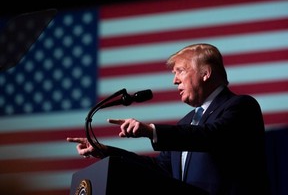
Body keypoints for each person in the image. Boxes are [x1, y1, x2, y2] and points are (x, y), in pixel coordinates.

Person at [67, 43, 271, 195]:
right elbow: (159, 168)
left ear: (206, 73)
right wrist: (105, 151)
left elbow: (212, 136)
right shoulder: (186, 122)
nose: (175, 80)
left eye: (180, 71)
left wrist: (152, 131)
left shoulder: (241, 106)